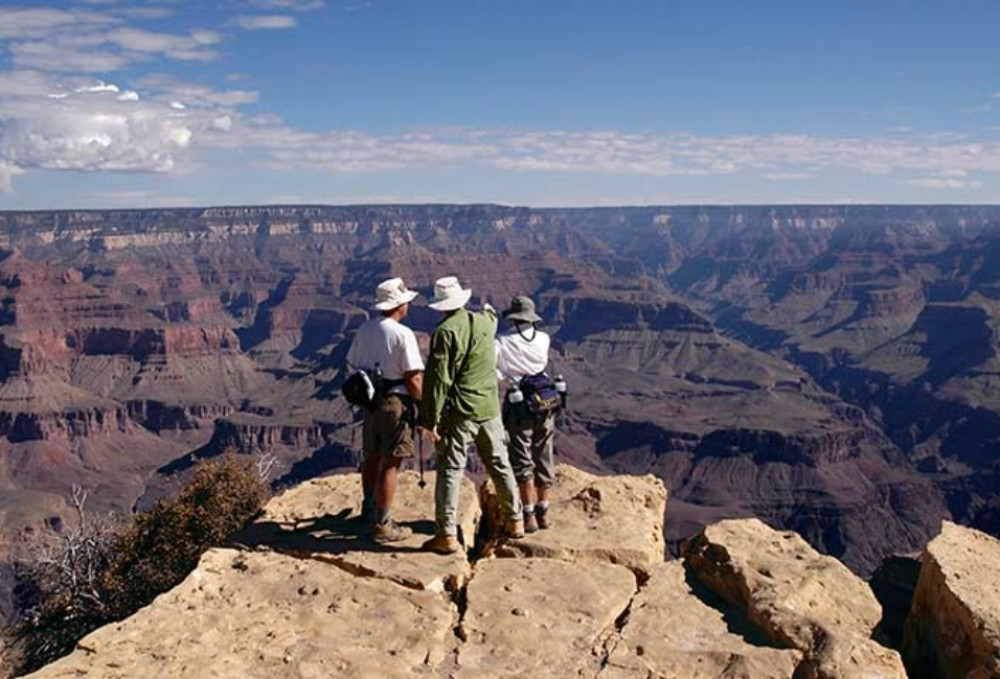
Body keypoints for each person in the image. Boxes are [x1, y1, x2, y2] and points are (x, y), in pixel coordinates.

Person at [419, 276, 523, 555]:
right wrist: (487, 308)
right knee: (500, 463)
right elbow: (491, 315)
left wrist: (429, 419)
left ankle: (446, 535)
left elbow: (438, 379)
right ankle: (515, 520)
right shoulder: (485, 323)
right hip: (489, 408)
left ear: (440, 306)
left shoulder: (445, 332)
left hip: (461, 412)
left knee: (451, 470)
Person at [345, 277, 424, 543]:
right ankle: (383, 524)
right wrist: (423, 406)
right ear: (399, 305)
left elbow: (352, 365)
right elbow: (413, 377)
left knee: (372, 456)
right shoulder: (402, 334)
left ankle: (368, 510)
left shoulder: (364, 329)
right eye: (406, 302)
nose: (409, 306)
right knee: (391, 462)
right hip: (394, 403)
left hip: (370, 402)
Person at [496, 296, 556, 533]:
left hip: (519, 404)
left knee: (522, 457)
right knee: (544, 452)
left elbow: (496, 372)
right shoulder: (544, 338)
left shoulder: (501, 341)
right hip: (545, 402)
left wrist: (507, 375)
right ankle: (544, 512)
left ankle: (528, 514)